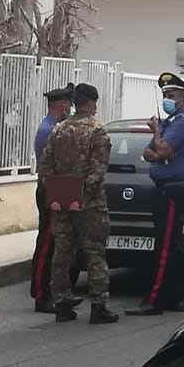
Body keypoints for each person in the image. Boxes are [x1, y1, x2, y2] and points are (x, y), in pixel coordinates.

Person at [38, 83, 117, 324]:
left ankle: (61, 303)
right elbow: (98, 170)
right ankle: (98, 305)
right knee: (94, 251)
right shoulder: (97, 131)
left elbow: (45, 167)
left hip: (62, 201)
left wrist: (58, 194)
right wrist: (82, 192)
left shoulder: (59, 130)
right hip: (90, 203)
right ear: (92, 103)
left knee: (62, 251)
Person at [130, 73, 184, 315]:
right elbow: (148, 152)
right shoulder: (170, 123)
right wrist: (161, 151)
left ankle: (154, 300)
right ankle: (176, 298)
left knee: (165, 247)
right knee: (172, 245)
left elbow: (162, 148)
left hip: (173, 190)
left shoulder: (182, 123)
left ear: (182, 97)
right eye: (165, 95)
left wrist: (158, 137)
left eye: (171, 95)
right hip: (163, 188)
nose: (167, 99)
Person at [30, 83, 74, 313]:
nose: (70, 109)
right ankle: (41, 294)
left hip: (59, 186)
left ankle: (57, 292)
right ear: (61, 105)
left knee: (59, 243)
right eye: (68, 104)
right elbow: (51, 166)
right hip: (51, 188)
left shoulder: (55, 127)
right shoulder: (49, 129)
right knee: (47, 242)